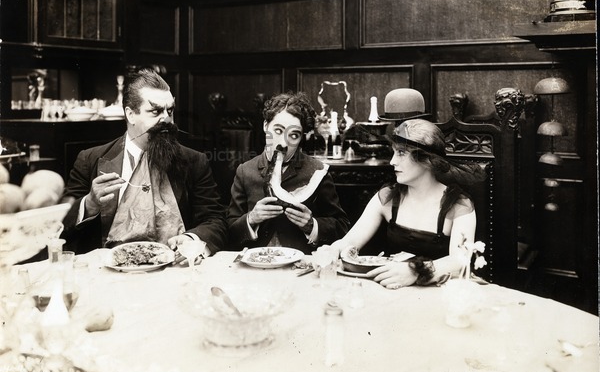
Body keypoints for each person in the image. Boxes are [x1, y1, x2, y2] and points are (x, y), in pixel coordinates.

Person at [60, 68, 227, 258]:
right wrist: (89, 204)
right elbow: (60, 224)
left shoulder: (194, 161)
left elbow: (216, 220)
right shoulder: (90, 160)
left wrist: (192, 239)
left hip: (174, 272)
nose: (166, 119)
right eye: (155, 111)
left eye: (170, 111)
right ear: (130, 115)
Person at [327, 119, 485, 290]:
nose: (392, 161)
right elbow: (349, 242)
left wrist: (416, 271)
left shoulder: (458, 205)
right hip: (392, 291)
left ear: (427, 160)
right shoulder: (388, 197)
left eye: (401, 153)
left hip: (439, 295)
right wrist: (331, 251)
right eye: (394, 152)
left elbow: (460, 261)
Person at [227, 92, 350, 254]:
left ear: (301, 139)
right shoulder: (245, 171)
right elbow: (229, 228)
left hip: (301, 266)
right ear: (265, 126)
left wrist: (312, 225)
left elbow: (343, 226)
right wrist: (251, 219)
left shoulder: (317, 172)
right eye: (278, 131)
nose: (284, 143)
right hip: (256, 265)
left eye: (293, 135)